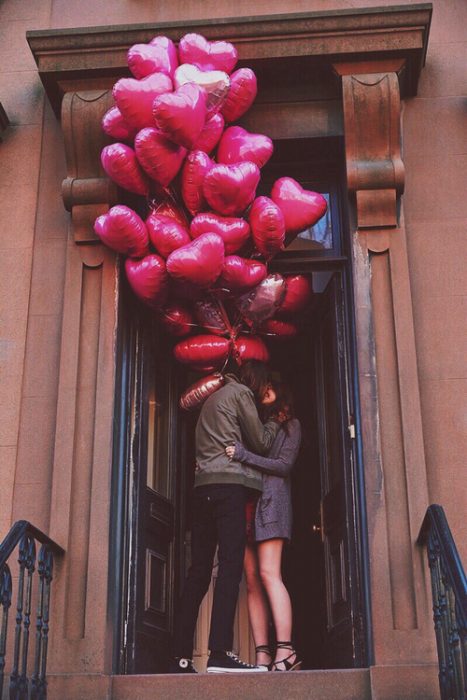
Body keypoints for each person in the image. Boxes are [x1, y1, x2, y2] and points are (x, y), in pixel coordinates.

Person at [170, 360, 281, 674]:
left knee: (199, 572)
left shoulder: (212, 399)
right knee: (231, 566)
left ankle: (180, 656)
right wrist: (272, 419)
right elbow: (261, 442)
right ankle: (219, 652)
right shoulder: (241, 393)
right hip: (228, 487)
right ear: (258, 382)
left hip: (202, 487)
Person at [225, 381, 302, 672]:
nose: (265, 391)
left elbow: (283, 466)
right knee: (253, 580)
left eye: (270, 386)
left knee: (271, 574)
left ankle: (286, 650)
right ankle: (262, 655)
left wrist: (244, 455)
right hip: (247, 503)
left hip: (272, 505)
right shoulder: (254, 425)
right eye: (263, 388)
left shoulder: (292, 425)